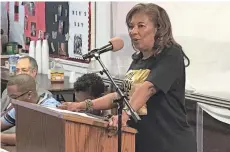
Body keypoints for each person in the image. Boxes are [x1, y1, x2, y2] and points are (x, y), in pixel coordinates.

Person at [58, 3, 196, 152]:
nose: (133, 31)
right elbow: (121, 95)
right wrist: (81, 105)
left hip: (170, 142)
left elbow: (148, 88)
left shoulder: (171, 54)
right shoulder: (138, 60)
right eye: (131, 27)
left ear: (158, 28)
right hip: (142, 142)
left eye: (141, 26)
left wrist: (125, 115)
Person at [1, 74, 61, 146]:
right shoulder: (21, 107)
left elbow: (32, 138)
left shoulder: (50, 109)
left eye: (14, 97)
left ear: (29, 95)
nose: (11, 101)